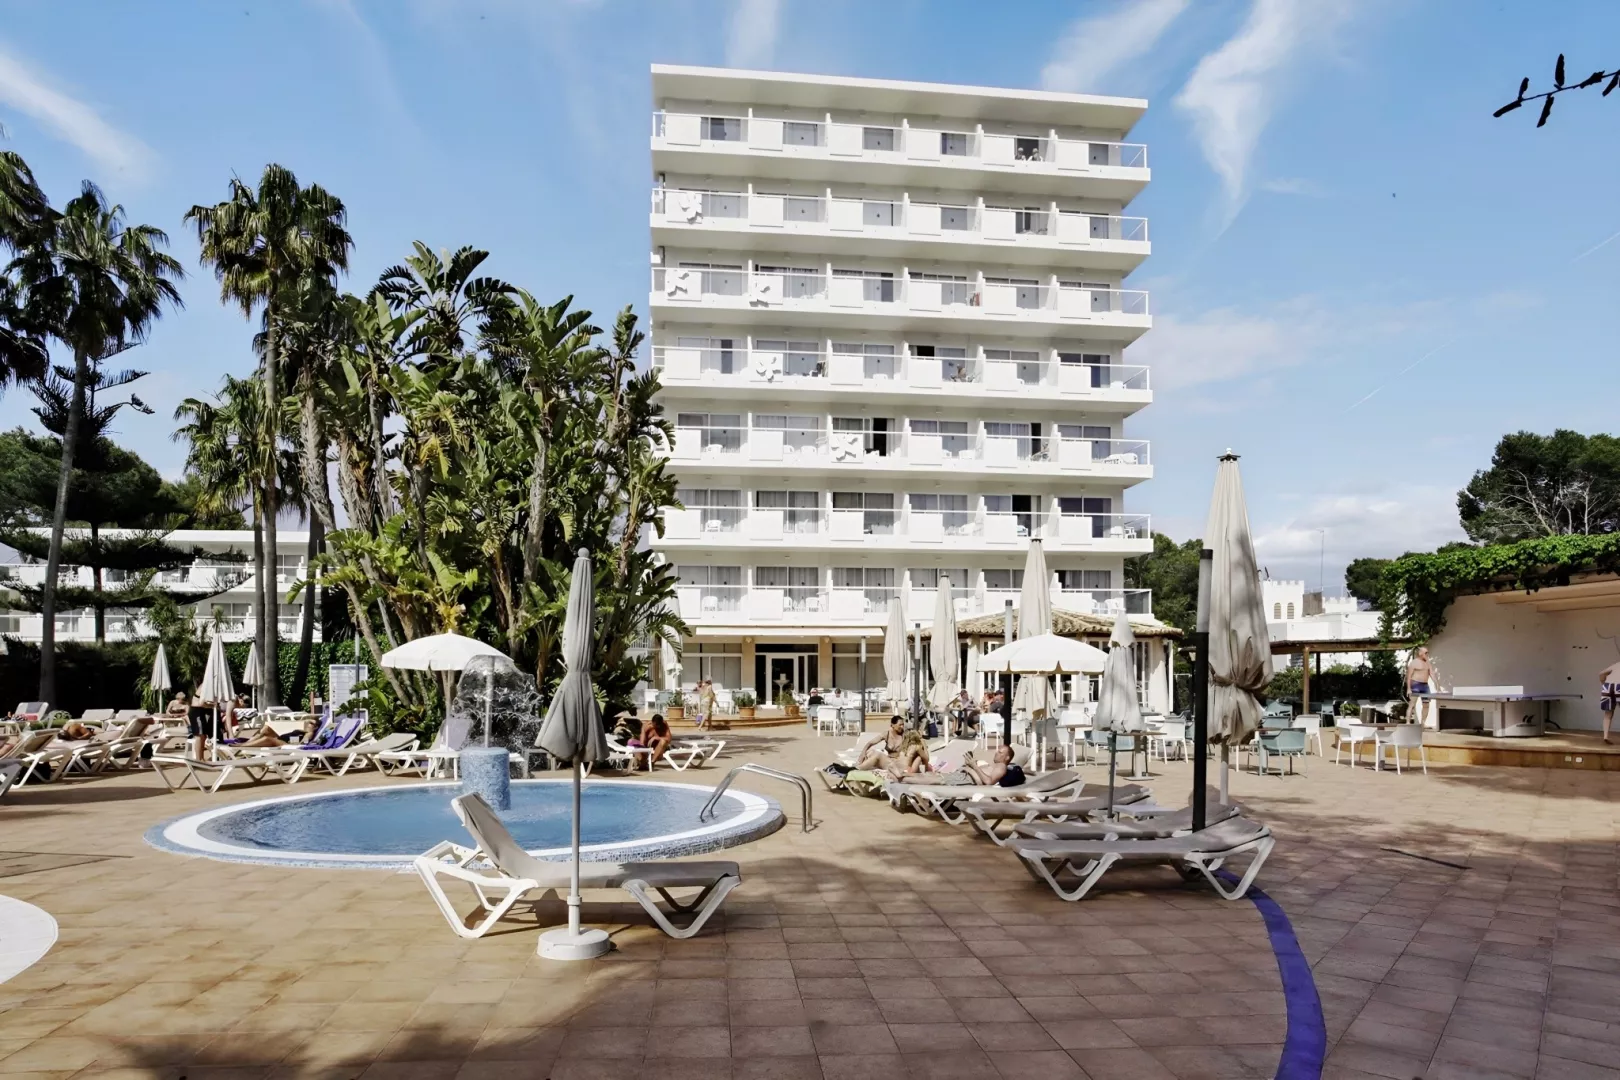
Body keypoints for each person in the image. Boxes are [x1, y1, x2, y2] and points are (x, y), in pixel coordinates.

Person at [1601, 660, 1620, 745]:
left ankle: (1605, 736)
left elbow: (1601, 673)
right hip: (1619, 686)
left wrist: (1603, 683)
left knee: (1608, 713)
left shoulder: (1616, 665)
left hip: (1608, 686)